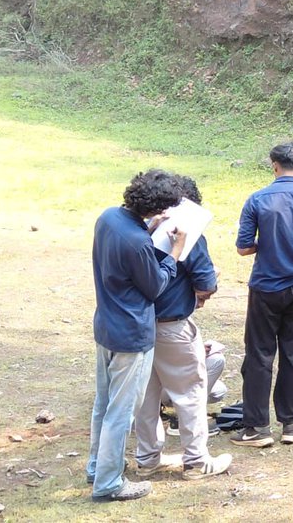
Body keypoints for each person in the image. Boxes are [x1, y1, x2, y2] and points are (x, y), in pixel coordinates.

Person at [88, 170, 186, 502]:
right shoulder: (138, 241)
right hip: (131, 334)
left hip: (105, 326)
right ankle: (109, 483)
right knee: (122, 411)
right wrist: (175, 252)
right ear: (158, 206)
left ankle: (96, 467)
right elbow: (155, 286)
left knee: (103, 404)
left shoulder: (108, 218)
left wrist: (150, 227)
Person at [233, 142, 293, 449]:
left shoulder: (257, 199)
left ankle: (257, 427)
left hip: (266, 286)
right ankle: (290, 424)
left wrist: (271, 243)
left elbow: (243, 247)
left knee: (259, 354)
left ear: (274, 165)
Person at [133, 175, 232, 482]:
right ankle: (196, 461)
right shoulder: (188, 236)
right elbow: (205, 282)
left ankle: (147, 458)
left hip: (138, 324)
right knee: (190, 391)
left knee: (145, 395)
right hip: (172, 326)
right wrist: (202, 288)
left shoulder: (141, 233)